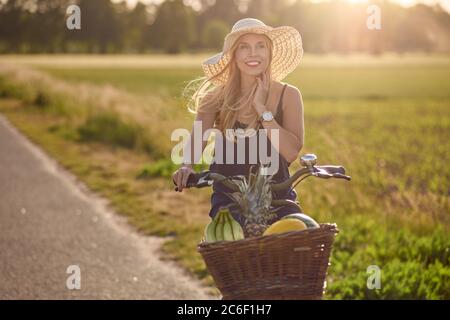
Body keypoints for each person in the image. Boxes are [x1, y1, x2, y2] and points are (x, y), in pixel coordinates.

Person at [172, 18, 305, 225]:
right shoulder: (215, 98)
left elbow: (291, 152)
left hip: (277, 198)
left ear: (269, 52)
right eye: (244, 47)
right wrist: (187, 165)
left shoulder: (288, 95)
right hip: (229, 199)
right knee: (229, 249)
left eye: (260, 45)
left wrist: (262, 109)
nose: (253, 53)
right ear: (234, 55)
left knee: (300, 244)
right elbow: (198, 138)